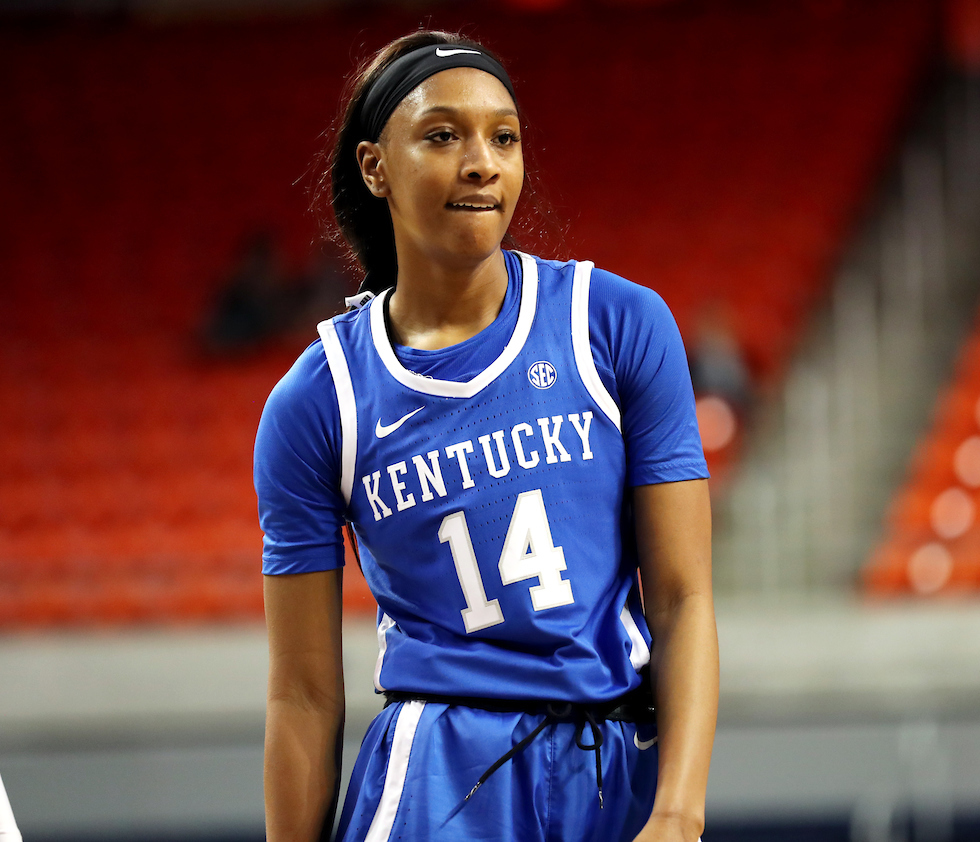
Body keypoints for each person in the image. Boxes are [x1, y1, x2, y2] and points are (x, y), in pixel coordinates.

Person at [254, 30, 718, 842]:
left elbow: (682, 599)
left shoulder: (613, 323)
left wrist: (679, 810)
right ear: (375, 168)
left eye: (503, 137)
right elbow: (301, 694)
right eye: (443, 136)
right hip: (439, 778)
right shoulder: (317, 401)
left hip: (617, 762)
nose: (482, 163)